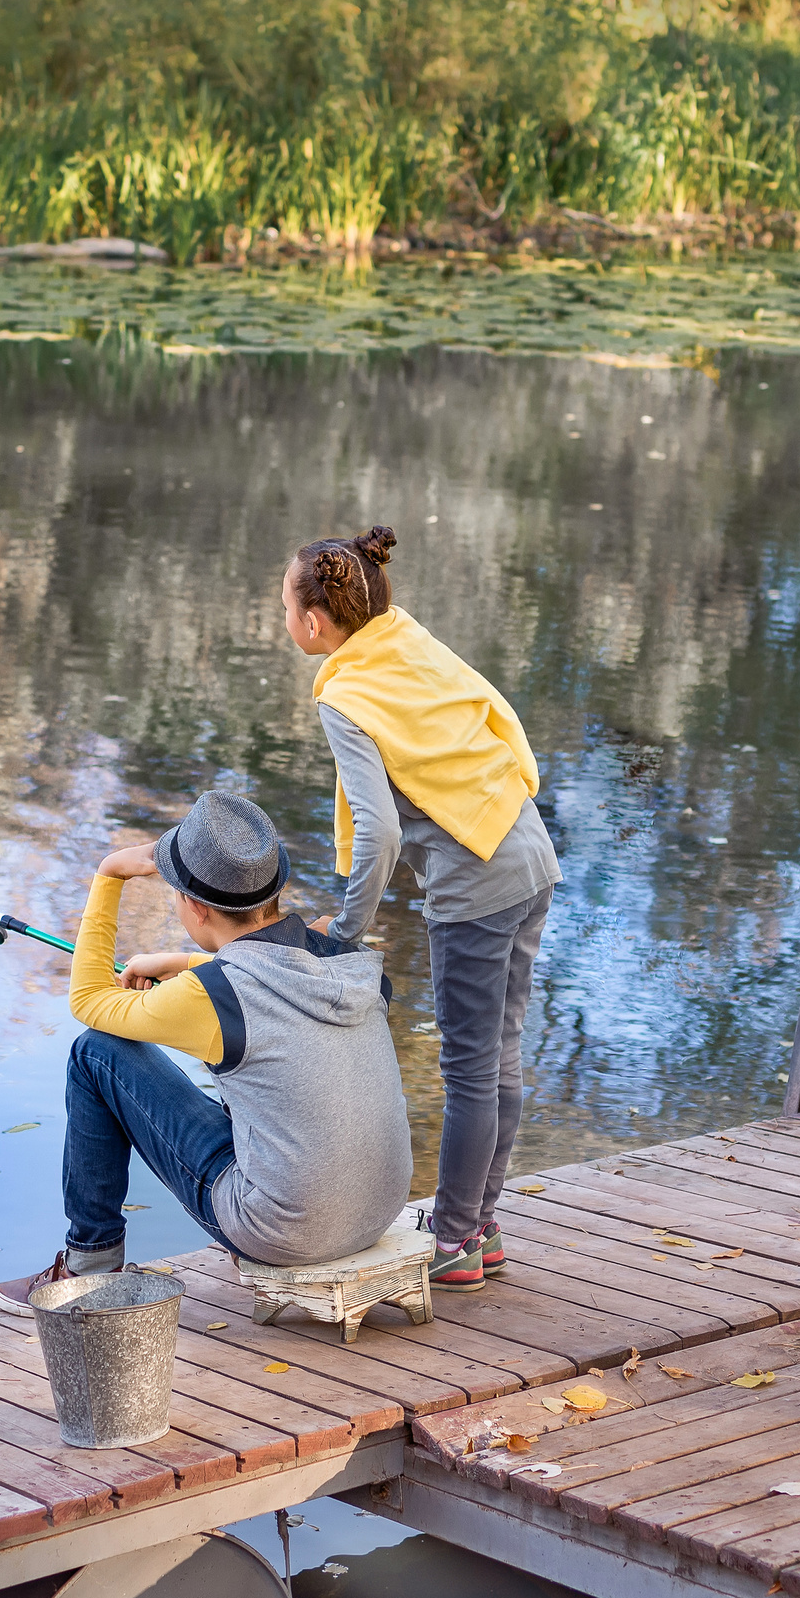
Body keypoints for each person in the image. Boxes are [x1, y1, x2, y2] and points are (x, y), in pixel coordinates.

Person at [0, 790, 414, 1312]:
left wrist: (108, 876)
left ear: (194, 906)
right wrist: (189, 963)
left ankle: (89, 1268)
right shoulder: (349, 963)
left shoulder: (213, 996)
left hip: (284, 1230)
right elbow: (274, 980)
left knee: (95, 1054)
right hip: (376, 1209)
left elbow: (89, 1001)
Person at [282, 525, 560, 1292]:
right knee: (499, 1053)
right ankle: (482, 1224)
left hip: (478, 881)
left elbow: (379, 830)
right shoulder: (403, 638)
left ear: (313, 622)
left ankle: (457, 1236)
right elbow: (493, 710)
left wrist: (344, 930)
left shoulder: (345, 691)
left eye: (285, 605)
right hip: (529, 849)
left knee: (470, 1067)